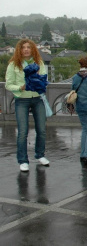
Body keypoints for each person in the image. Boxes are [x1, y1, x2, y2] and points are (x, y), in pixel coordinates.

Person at [5, 39, 50, 172]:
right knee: (23, 131)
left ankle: (40, 154)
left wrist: (39, 81)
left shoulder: (39, 63)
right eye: (23, 47)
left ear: (32, 49)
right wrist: (20, 87)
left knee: (41, 129)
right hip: (22, 100)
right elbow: (8, 84)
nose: (26, 49)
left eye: (28, 47)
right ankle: (23, 160)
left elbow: (44, 79)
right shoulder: (14, 64)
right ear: (19, 49)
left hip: (37, 99)